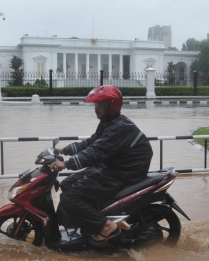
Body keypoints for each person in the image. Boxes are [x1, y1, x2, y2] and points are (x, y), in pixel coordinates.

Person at [50, 85, 153, 244]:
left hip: (122, 173)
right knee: (67, 184)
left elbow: (95, 152)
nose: (96, 109)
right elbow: (92, 142)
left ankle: (106, 226)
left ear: (111, 106)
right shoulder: (110, 122)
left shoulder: (118, 128)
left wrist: (66, 164)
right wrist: (64, 150)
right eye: (95, 105)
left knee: (69, 198)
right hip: (114, 167)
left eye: (100, 105)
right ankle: (88, 222)